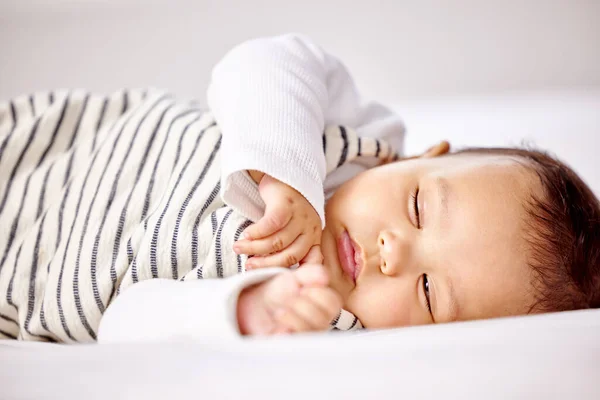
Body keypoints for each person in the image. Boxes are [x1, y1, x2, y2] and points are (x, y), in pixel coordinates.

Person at [0, 34, 598, 344]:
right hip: (50, 148)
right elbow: (261, 62)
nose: (393, 252)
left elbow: (122, 324)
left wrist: (243, 313)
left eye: (428, 293)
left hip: (21, 272)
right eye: (418, 205)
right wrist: (286, 167)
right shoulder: (356, 140)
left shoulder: (319, 325)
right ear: (419, 156)